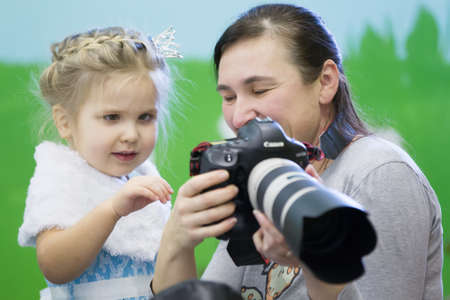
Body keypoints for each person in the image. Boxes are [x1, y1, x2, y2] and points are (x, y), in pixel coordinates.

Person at [150, 3, 443, 300]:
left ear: (326, 82)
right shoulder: (259, 174)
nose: (238, 117)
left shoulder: (379, 173)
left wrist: (319, 261)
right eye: (228, 96)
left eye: (260, 90)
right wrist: (178, 240)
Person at [18, 26, 179, 299]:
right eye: (112, 117)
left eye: (145, 117)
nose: (130, 135)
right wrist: (113, 209)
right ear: (65, 122)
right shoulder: (60, 177)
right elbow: (54, 266)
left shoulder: (142, 175)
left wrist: (183, 236)